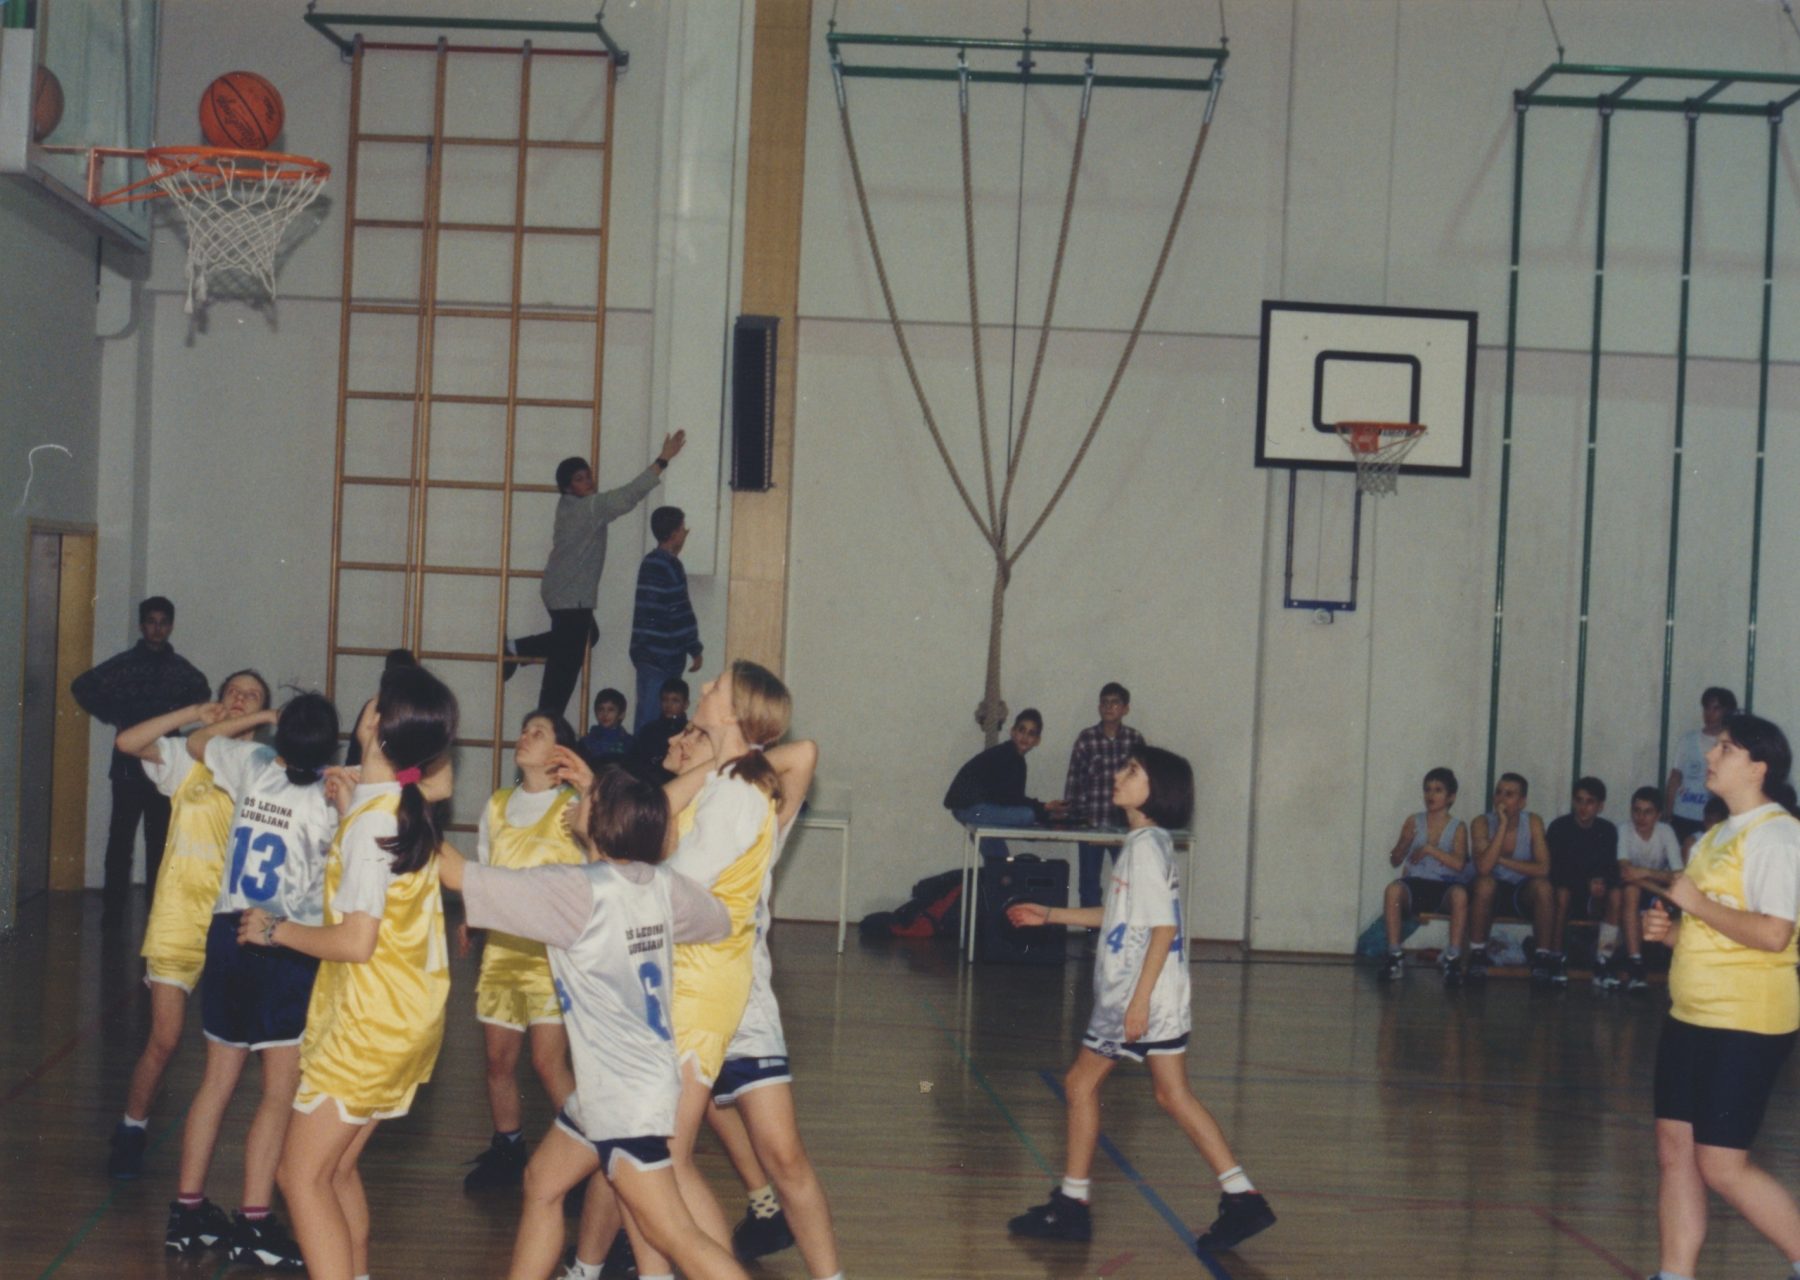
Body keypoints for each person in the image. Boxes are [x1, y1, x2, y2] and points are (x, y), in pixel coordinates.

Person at [440, 765, 749, 1280]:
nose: (578, 799)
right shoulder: (661, 884)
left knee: (677, 1236)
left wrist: (397, 797)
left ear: (603, 819)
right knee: (542, 1182)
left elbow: (454, 872)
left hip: (625, 1101)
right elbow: (718, 921)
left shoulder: (576, 891)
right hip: (622, 1085)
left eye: (589, 795)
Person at [564, 729, 841, 1278]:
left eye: (693, 731)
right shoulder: (668, 812)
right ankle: (590, 1267)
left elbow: (804, 752)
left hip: (739, 1001)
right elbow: (621, 823)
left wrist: (726, 756)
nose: (679, 736)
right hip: (682, 998)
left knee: (779, 1158)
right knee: (638, 1154)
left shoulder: (745, 797)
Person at [1006, 746, 1275, 1258]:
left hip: (1138, 992)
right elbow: (1120, 917)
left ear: (1158, 790)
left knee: (1080, 1084)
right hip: (1158, 992)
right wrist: (1051, 914)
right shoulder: (1146, 844)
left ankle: (1072, 1205)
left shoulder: (1146, 848)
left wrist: (1138, 1002)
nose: (1119, 775)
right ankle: (1242, 1196)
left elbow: (1163, 928)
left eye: (1133, 771)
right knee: (1172, 1095)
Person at [246, 665, 458, 1280]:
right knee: (334, 1172)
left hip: (368, 1027)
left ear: (375, 724)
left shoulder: (375, 823)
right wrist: (352, 800)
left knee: (299, 1176)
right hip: (403, 1021)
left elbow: (356, 942)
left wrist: (275, 929)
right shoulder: (398, 804)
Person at [162, 692, 341, 1269]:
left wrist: (260, 718)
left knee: (217, 1080)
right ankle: (254, 1223)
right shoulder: (334, 795)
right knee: (277, 1089)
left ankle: (187, 1213)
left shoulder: (253, 763)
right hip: (283, 941)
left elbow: (196, 741)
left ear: (279, 737)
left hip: (228, 930)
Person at [1643, 712, 1800, 1280]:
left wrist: (1697, 905)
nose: (1710, 756)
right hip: (1690, 1014)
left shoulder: (1779, 836)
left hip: (1746, 1021)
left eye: (1726, 749)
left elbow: (1775, 934)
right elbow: (1712, 930)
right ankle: (1675, 1275)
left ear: (1759, 767)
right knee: (1675, 1149)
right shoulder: (1713, 837)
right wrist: (1672, 934)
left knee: (1722, 1164)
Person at [106, 669, 271, 1180]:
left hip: (235, 921)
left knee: (249, 1052)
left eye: (253, 696)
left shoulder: (267, 768)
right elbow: (127, 742)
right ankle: (132, 1127)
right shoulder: (185, 757)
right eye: (234, 691)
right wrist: (193, 714)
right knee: (165, 1039)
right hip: (179, 915)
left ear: (262, 714)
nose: (240, 698)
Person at [460, 711, 583, 1193]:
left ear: (559, 754)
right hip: (503, 951)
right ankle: (507, 1149)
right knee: (498, 1062)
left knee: (548, 1064)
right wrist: (471, 916)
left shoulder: (574, 806)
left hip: (553, 955)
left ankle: (586, 1158)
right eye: (525, 729)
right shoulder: (497, 804)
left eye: (539, 732)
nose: (525, 736)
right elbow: (485, 868)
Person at [509, 433, 688, 719]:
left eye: (588, 476)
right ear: (568, 487)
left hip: (562, 592)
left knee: (587, 637)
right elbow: (628, 495)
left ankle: (517, 648)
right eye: (580, 479)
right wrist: (663, 460)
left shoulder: (569, 506)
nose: (589, 481)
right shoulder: (588, 508)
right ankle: (547, 722)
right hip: (571, 598)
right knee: (562, 673)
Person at [70, 595, 212, 924]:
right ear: (141, 625)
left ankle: (157, 907)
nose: (157, 629)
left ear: (170, 626)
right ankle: (113, 910)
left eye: (163, 623)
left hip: (165, 760)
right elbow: (82, 686)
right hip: (128, 763)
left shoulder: (180, 669)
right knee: (120, 837)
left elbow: (202, 693)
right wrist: (114, 716)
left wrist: (177, 718)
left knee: (160, 838)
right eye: (151, 622)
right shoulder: (123, 664)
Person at [1376, 767, 1469, 987]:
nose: (1431, 795)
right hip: (1415, 885)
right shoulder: (1413, 821)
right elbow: (1394, 859)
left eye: (1438, 790)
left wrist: (1430, 849)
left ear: (1451, 797)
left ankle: (1452, 958)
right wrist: (1403, 843)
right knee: (1393, 890)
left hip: (1443, 886)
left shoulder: (1458, 827)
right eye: (1427, 789)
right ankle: (1395, 956)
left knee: (1460, 895)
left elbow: (1459, 864)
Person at [1466, 772, 1555, 985]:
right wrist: (1503, 826)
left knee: (1544, 888)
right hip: (1489, 893)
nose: (1501, 799)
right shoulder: (1481, 823)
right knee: (1485, 884)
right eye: (1498, 792)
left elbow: (1543, 868)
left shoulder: (1533, 822)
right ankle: (1477, 954)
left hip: (1521, 891)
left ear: (1522, 802)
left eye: (1509, 794)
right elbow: (1484, 868)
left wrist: (1501, 860)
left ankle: (1542, 958)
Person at [1063, 682, 1146, 909]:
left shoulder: (1134, 739)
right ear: (1099, 707)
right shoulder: (1087, 738)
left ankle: (1125, 926)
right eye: (1105, 702)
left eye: (1115, 703)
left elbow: (1144, 781)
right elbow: (1074, 780)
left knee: (1128, 881)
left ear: (1125, 709)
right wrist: (1076, 817)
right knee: (1089, 883)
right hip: (1092, 823)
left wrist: (1140, 819)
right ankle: (1093, 928)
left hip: (1124, 825)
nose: (1109, 707)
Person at [943, 708, 1067, 860]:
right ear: (1013, 732)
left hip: (973, 809)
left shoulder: (1016, 759)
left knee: (1001, 861)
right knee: (1027, 815)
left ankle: (998, 870)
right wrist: (1044, 808)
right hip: (971, 809)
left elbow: (1013, 799)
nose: (1025, 737)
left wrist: (1044, 810)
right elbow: (1010, 799)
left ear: (1037, 740)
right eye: (1021, 730)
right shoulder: (1007, 755)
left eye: (1031, 733)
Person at [630, 505, 704, 732]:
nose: (685, 533)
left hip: (645, 651)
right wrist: (694, 648)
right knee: (657, 719)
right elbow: (680, 610)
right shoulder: (671, 566)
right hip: (664, 654)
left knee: (646, 714)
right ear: (674, 534)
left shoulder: (649, 562)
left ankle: (642, 752)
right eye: (683, 528)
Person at [1544, 777, 1621, 989]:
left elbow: (1612, 868)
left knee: (1616, 895)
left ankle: (1603, 960)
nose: (1583, 807)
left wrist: (1601, 883)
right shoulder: (1559, 827)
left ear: (1600, 806)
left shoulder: (1608, 830)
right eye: (1579, 800)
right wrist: (1585, 883)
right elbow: (1553, 870)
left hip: (1595, 896)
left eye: (1590, 802)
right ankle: (1556, 958)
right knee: (1562, 894)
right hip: (1566, 892)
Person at [1617, 785, 1685, 994]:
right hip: (1638, 891)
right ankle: (1635, 963)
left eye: (1647, 812)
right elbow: (1626, 873)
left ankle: (1675, 969)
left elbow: (1678, 875)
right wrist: (1658, 887)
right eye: (1636, 811)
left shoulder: (1666, 831)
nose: (1641, 817)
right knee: (1631, 890)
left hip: (1657, 891)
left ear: (1658, 815)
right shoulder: (1624, 830)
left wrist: (1644, 872)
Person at [1666, 687, 1735, 843]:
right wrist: (1668, 812)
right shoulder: (1687, 740)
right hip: (1682, 813)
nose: (1709, 714)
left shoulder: (1731, 744)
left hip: (1713, 818)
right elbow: (1675, 778)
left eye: (1716, 709)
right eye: (1706, 708)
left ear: (1726, 711)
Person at [633, 677, 690, 780]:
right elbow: (638, 762)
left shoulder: (690, 732)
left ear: (685, 704)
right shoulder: (648, 730)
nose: (669, 705)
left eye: (675, 701)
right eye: (665, 700)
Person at [577, 689, 633, 761]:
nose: (605, 714)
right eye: (601, 709)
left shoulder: (629, 743)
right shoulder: (586, 743)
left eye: (611, 710)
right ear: (596, 712)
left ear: (621, 714)